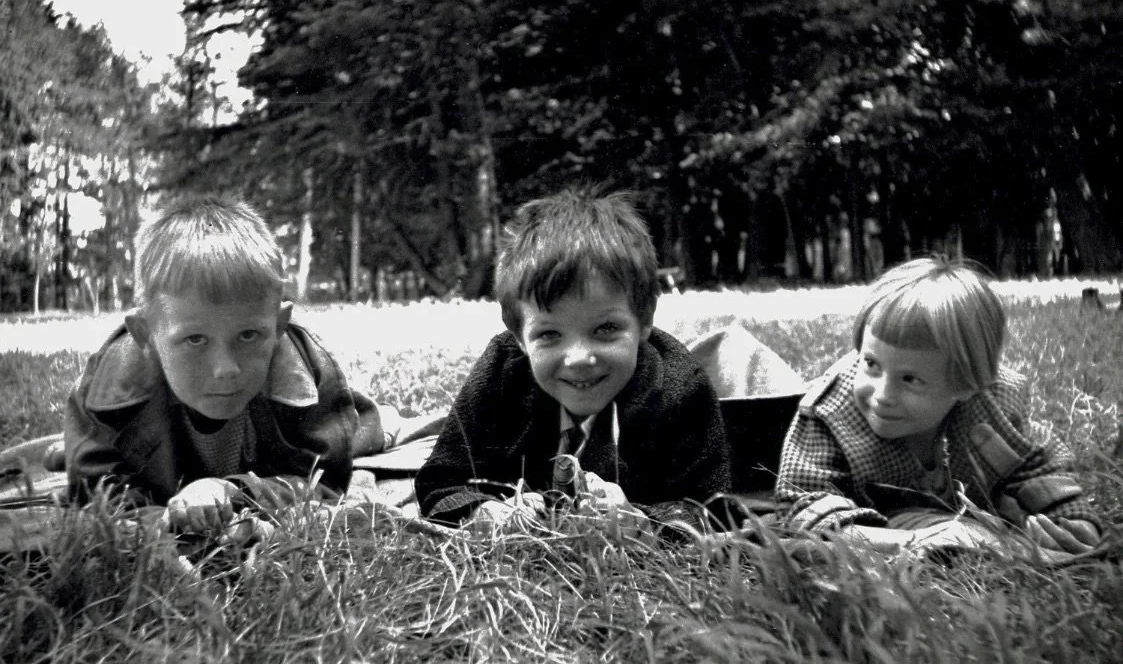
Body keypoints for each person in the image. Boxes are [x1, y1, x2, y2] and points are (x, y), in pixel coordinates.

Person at [64, 194, 390, 541]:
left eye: (248, 335)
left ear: (279, 325)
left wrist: (234, 492)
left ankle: (385, 421)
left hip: (329, 426)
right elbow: (97, 495)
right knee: (82, 447)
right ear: (145, 334)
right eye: (195, 340)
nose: (226, 368)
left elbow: (322, 479)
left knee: (366, 432)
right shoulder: (106, 390)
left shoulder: (309, 373)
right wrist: (169, 518)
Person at [414, 188, 732, 531]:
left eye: (605, 329)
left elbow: (711, 508)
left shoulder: (679, 389)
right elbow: (439, 482)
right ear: (519, 336)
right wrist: (484, 513)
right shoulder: (501, 372)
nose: (579, 358)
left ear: (644, 321)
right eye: (549, 335)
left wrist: (642, 522)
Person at [775, 256, 1103, 556]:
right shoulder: (829, 415)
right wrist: (928, 539)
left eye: (910, 379)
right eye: (871, 363)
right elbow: (802, 507)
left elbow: (1035, 469)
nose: (881, 394)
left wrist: (1073, 523)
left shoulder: (993, 407)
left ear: (965, 385)